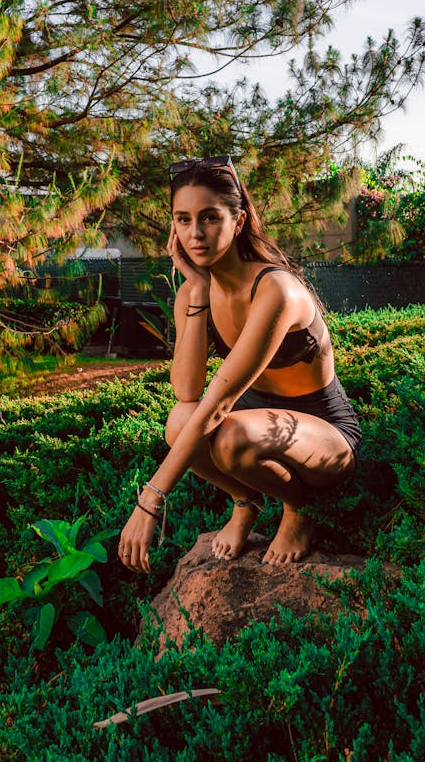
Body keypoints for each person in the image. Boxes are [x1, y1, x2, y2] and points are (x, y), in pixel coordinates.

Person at [117, 155, 361, 573]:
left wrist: (151, 498)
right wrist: (196, 290)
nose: (196, 233)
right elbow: (188, 391)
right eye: (183, 219)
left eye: (209, 217)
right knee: (178, 421)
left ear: (239, 220)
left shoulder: (276, 289)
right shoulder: (195, 293)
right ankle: (246, 503)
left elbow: (216, 405)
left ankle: (299, 508)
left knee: (230, 436)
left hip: (325, 435)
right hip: (255, 421)